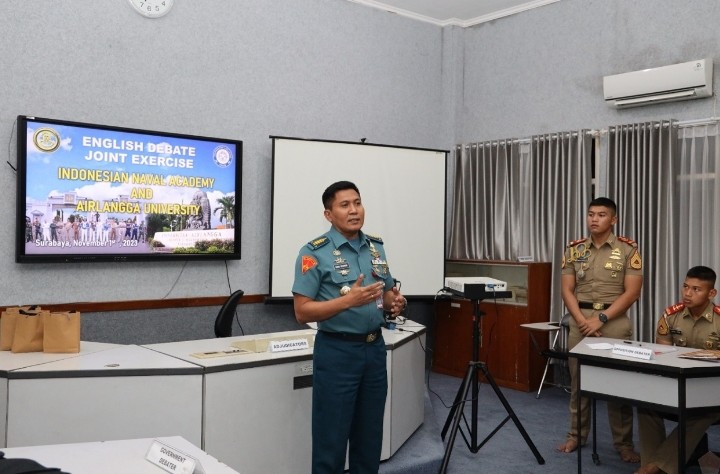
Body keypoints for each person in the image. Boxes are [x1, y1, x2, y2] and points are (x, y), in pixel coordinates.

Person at [292, 180, 407, 474]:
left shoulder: (376, 247)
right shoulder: (313, 253)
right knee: (331, 442)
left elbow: (387, 291)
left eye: (357, 202)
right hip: (337, 352)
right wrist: (348, 302)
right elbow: (302, 312)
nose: (354, 210)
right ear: (329, 214)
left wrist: (395, 302)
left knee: (369, 440)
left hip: (374, 350)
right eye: (344, 205)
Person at [556, 197, 643, 463]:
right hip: (579, 318)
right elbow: (566, 290)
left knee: (618, 385)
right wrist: (582, 320)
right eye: (591, 214)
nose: (594, 219)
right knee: (578, 380)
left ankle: (624, 443)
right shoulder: (574, 250)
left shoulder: (628, 250)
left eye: (601, 215)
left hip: (613, 320)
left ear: (613, 219)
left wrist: (601, 318)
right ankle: (576, 435)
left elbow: (632, 293)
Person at [635, 266, 720, 474]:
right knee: (646, 405)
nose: (687, 293)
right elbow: (662, 354)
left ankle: (655, 467)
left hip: (713, 391)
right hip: (678, 384)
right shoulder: (671, 316)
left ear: (711, 294)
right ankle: (653, 463)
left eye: (696, 289)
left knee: (702, 411)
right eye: (685, 287)